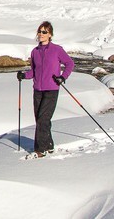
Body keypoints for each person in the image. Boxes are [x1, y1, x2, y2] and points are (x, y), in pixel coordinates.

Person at [17, 21, 74, 156]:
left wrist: (63, 77)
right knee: (41, 119)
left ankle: (39, 150)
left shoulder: (57, 49)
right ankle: (49, 145)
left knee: (43, 119)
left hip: (51, 89)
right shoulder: (35, 52)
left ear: (50, 34)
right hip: (37, 89)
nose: (41, 34)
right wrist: (24, 75)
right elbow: (34, 72)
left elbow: (69, 63)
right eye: (40, 31)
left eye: (44, 32)